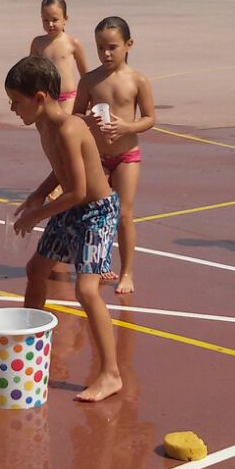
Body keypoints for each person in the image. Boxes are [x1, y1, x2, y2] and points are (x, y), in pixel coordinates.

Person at [4, 56, 123, 402]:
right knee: (36, 270)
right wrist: (39, 193)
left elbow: (79, 191)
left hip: (96, 212)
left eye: (16, 101)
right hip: (72, 207)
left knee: (86, 290)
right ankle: (29, 347)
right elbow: (62, 168)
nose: (12, 109)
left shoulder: (70, 129)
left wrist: (35, 216)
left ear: (40, 98)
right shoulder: (43, 125)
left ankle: (111, 374)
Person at [72, 16, 154, 295]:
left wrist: (127, 127)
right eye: (100, 48)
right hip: (97, 156)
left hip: (126, 155)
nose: (106, 54)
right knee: (93, 214)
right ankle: (97, 264)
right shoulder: (89, 80)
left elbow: (150, 118)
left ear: (128, 45)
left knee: (124, 214)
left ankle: (127, 271)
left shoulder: (137, 80)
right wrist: (88, 120)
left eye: (112, 47)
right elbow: (76, 114)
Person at [30, 0, 88, 106]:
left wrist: (89, 97)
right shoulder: (37, 43)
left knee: (66, 118)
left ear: (65, 19)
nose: (50, 24)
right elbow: (30, 73)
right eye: (45, 20)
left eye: (55, 20)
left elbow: (85, 75)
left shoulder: (73, 43)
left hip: (68, 98)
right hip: (45, 98)